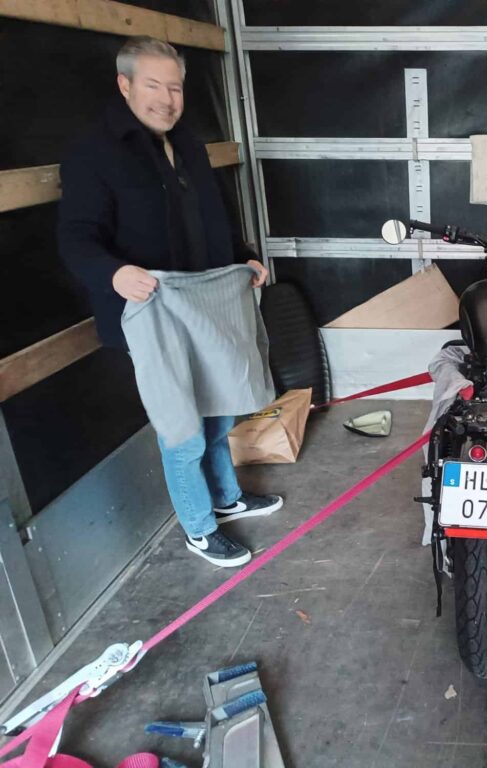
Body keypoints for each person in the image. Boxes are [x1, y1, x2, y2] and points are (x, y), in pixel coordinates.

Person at [58, 36, 281, 568]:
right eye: (153, 85)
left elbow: (217, 219)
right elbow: (76, 236)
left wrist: (245, 256)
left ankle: (226, 499)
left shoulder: (189, 143)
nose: (166, 98)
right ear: (125, 85)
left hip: (207, 305)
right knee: (182, 428)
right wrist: (113, 274)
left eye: (175, 87)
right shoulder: (94, 152)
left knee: (221, 408)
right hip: (151, 313)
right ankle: (200, 529)